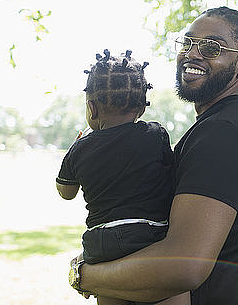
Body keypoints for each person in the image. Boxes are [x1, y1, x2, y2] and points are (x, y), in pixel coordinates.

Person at [70, 7, 238, 304]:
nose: (192, 54)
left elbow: (184, 266)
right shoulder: (218, 126)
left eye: (211, 47)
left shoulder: (225, 134)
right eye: (187, 43)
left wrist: (84, 275)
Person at [56, 49, 189, 305]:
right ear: (141, 108)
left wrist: (78, 148)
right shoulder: (154, 135)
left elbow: (66, 192)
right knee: (170, 290)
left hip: (101, 242)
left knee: (111, 293)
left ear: (91, 108)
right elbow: (172, 173)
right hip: (149, 235)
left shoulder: (80, 147)